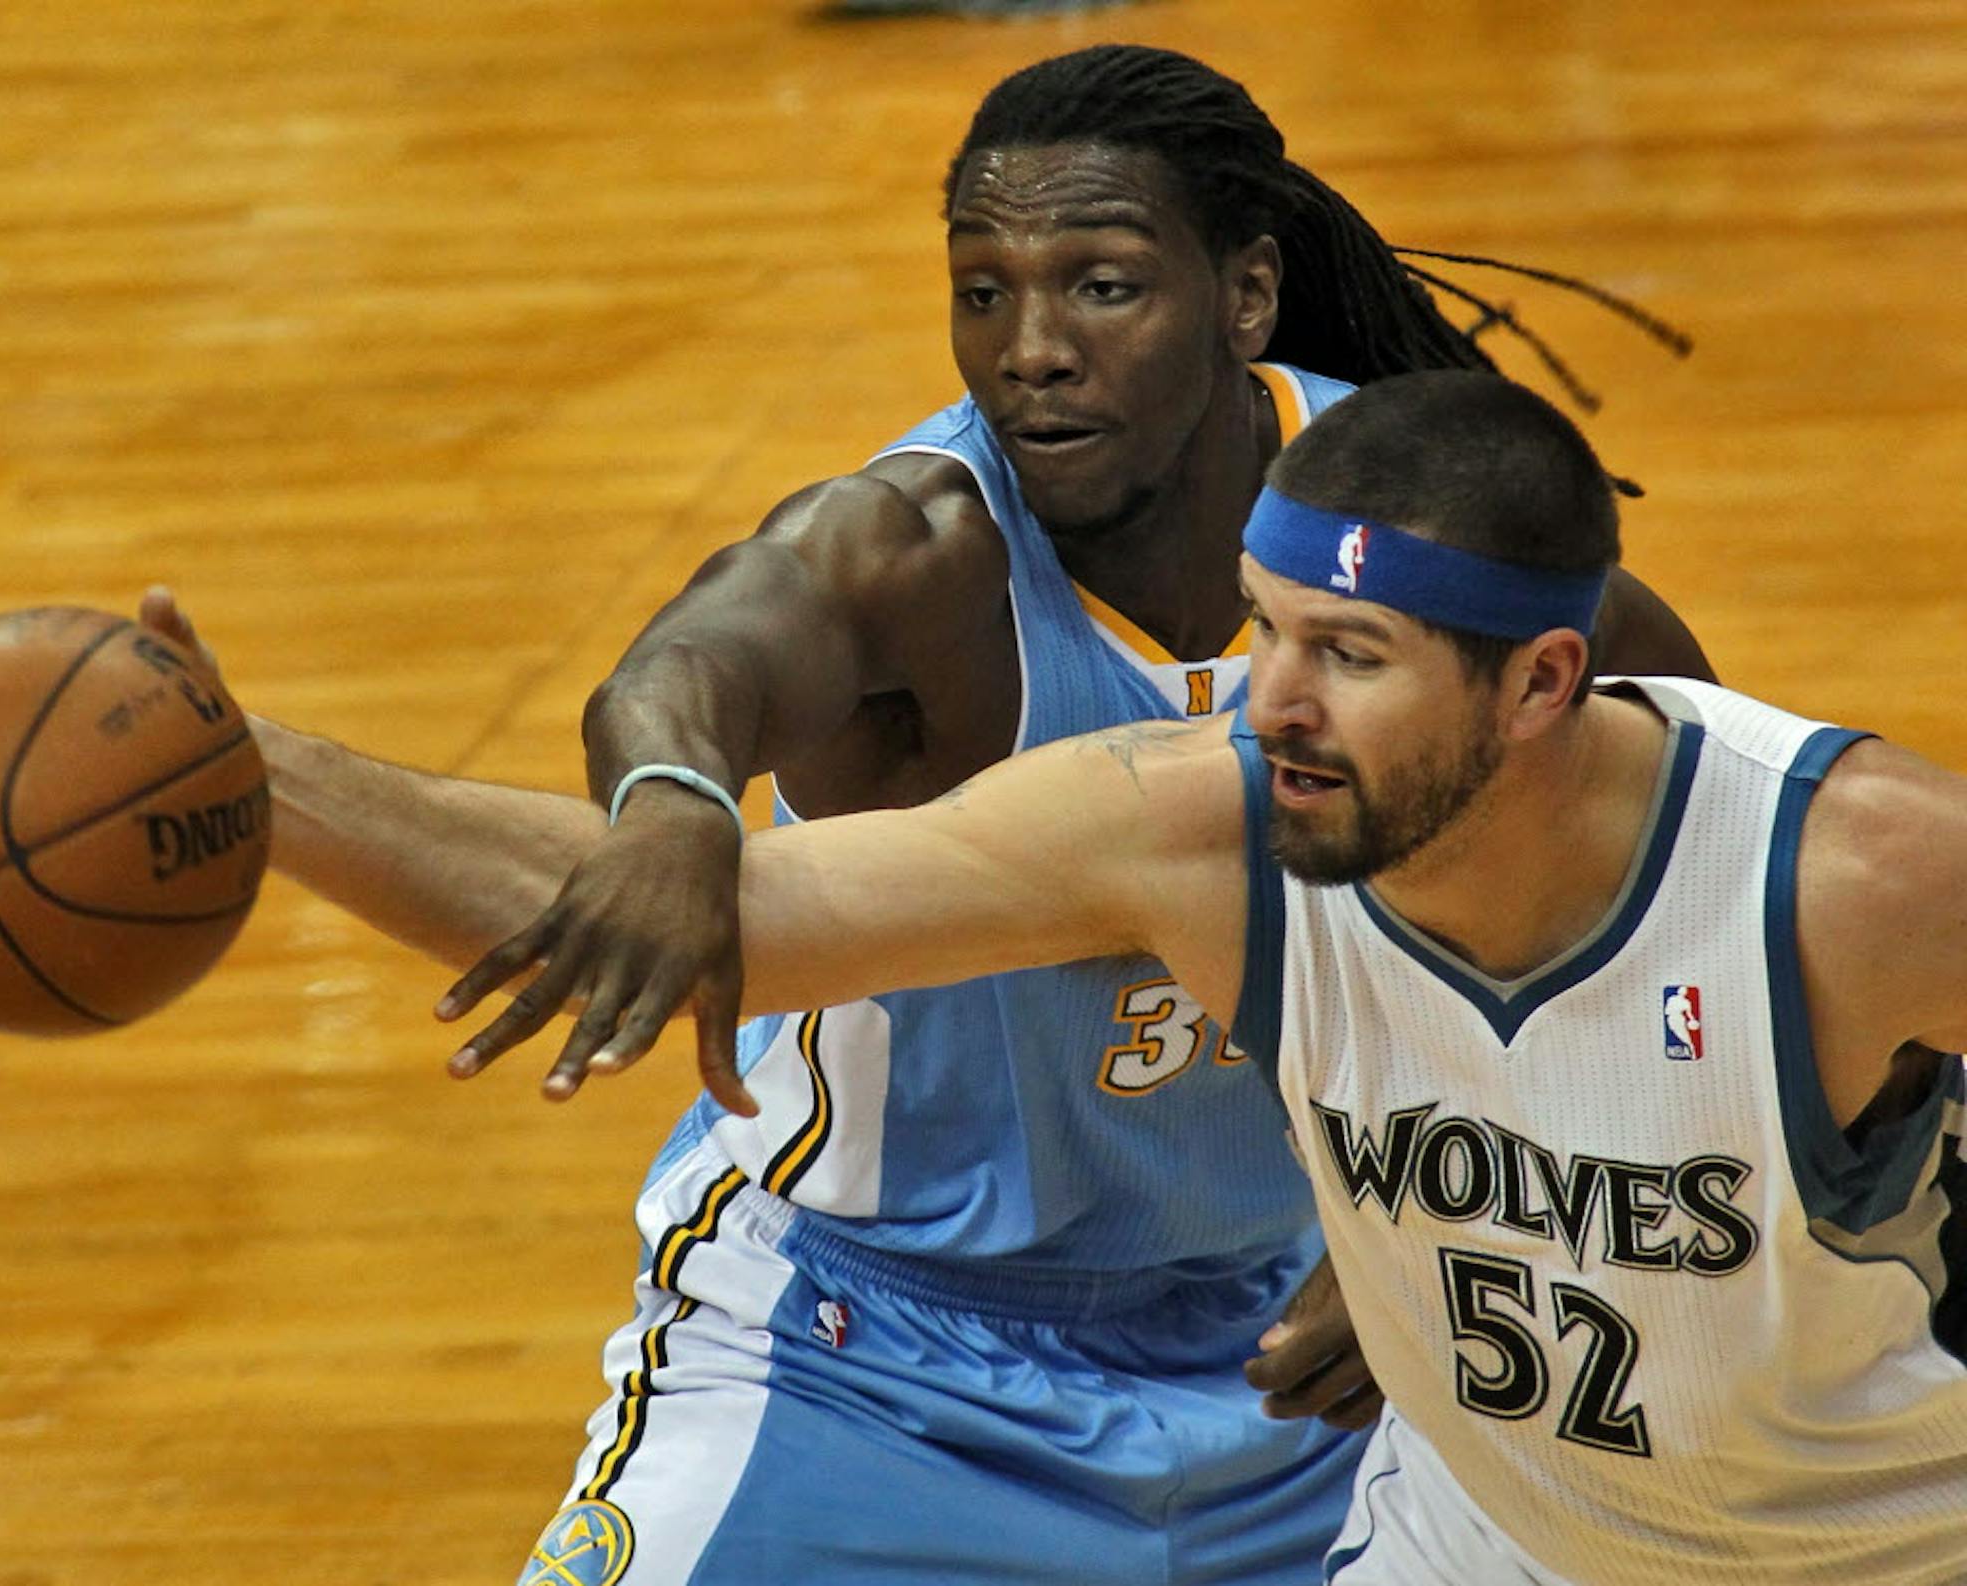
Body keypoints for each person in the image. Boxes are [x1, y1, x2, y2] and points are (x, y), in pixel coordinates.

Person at [156, 47, 1711, 1584]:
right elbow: (696, 658)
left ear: (1245, 297)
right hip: (876, 1366)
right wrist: (674, 800)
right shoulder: (921, 550)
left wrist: (1464, 1232)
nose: (1030, 350)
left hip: (1313, 1363)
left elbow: (1689, 899)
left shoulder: (1416, 524)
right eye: (982, 291)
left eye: (1101, 287)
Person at [253, 369, 1966, 1583]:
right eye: (1264, 625)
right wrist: (252, 774)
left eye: (1349, 654)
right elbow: (705, 910)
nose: (1269, 702)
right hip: (1486, 1545)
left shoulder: (1857, 877)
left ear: (1540, 686)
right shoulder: (1213, 827)